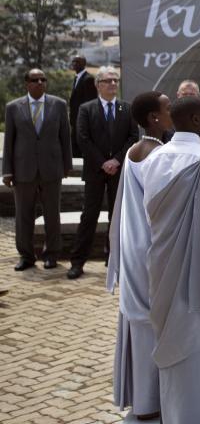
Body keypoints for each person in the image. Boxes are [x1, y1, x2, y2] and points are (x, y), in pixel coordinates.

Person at [140, 96, 200, 424]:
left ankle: (174, 416)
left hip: (162, 260)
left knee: (169, 333)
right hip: (198, 265)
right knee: (197, 341)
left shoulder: (156, 158)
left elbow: (149, 213)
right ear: (196, 121)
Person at [106, 91, 172, 421]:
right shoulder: (157, 153)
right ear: (154, 118)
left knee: (142, 322)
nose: (172, 110)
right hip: (149, 248)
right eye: (167, 107)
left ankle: (144, 399)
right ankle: (150, 402)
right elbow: (161, 208)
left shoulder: (135, 149)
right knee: (151, 323)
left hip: (133, 244)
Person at [70, 66, 139, 279]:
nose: (113, 84)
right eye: (108, 81)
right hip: (95, 172)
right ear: (98, 84)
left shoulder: (127, 109)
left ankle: (114, 261)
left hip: (118, 171)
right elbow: (82, 138)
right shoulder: (86, 109)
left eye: (115, 81)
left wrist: (116, 160)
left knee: (117, 217)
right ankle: (78, 261)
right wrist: (103, 163)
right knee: (89, 216)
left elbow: (132, 137)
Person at [3, 69, 72, 271]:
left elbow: (65, 137)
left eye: (43, 79)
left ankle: (51, 255)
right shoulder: (13, 107)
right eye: (35, 80)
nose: (40, 82)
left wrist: (67, 165)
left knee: (52, 214)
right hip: (23, 170)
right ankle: (26, 256)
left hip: (51, 169)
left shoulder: (58, 105)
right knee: (23, 215)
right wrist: (7, 170)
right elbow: (9, 141)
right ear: (27, 83)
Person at [69, 56, 98, 153]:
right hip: (75, 120)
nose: (74, 64)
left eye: (77, 61)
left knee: (80, 148)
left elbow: (90, 102)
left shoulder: (88, 79)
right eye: (73, 61)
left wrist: (85, 120)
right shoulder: (77, 78)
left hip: (82, 121)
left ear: (84, 64)